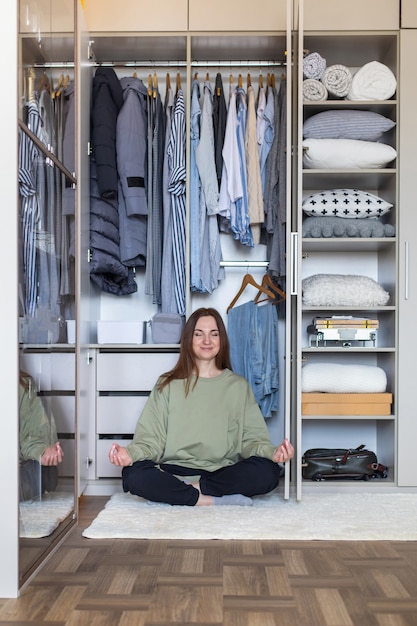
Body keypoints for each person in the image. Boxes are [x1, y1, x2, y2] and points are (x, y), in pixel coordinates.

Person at [109, 307, 294, 506]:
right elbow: (151, 440)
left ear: (222, 340)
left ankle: (187, 494)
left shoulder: (238, 386)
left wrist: (272, 453)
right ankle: (210, 499)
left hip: (222, 472)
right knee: (133, 474)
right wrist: (130, 454)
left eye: (214, 334)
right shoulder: (168, 383)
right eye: (199, 334)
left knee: (268, 472)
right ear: (189, 339)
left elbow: (251, 441)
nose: (207, 341)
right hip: (173, 471)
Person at [19, 371, 64, 501]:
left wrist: (42, 451)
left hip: (20, 466)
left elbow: (30, 436)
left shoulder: (23, 385)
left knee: (38, 477)